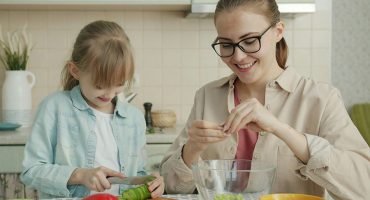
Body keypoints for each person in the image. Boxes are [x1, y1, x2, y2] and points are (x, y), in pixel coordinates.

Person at [160, 0, 370, 199]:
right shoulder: (208, 95)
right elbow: (169, 185)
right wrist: (192, 149)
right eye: (226, 44)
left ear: (278, 32)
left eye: (250, 41)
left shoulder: (321, 99)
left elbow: (364, 188)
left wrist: (281, 129)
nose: (238, 57)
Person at [20, 20, 164, 198]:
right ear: (75, 70)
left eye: (119, 84)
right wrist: (79, 175)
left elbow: (138, 174)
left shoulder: (133, 118)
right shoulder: (54, 108)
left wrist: (151, 181)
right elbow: (31, 171)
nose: (110, 93)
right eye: (100, 85)